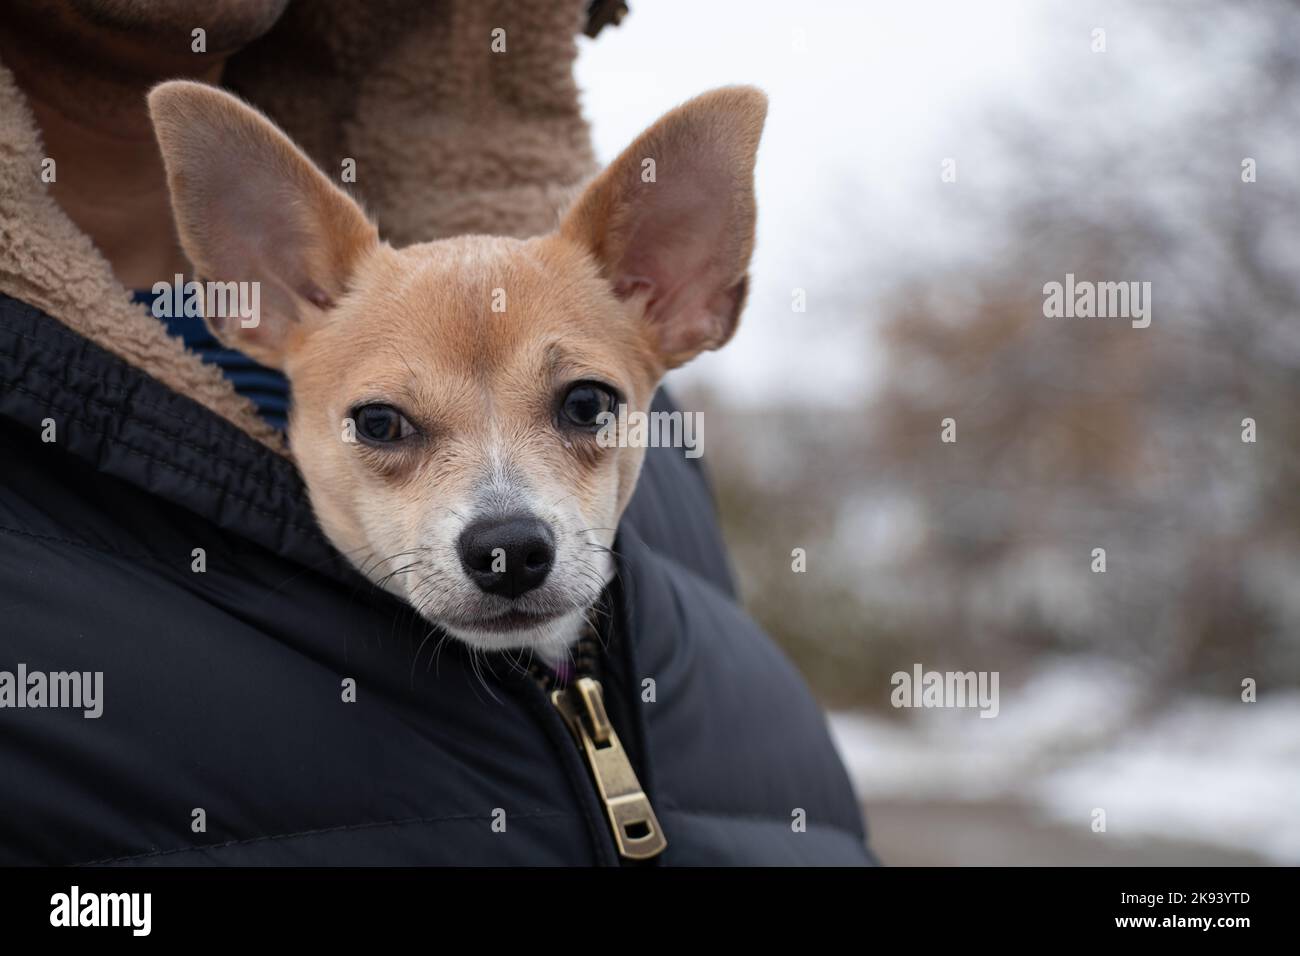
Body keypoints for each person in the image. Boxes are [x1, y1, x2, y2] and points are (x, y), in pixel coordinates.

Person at [0, 0, 874, 865]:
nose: (503, 524)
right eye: (388, 426)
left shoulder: (679, 503)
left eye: (581, 410)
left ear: (677, 295)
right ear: (252, 295)